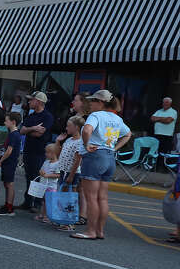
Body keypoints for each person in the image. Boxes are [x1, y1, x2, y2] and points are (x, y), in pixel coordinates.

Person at [71, 90, 131, 241]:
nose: (90, 103)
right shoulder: (117, 118)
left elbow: (87, 129)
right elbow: (128, 134)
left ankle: (90, 231)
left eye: (93, 101)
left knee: (91, 197)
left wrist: (86, 144)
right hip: (109, 157)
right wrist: (115, 148)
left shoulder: (96, 115)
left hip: (95, 156)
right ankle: (99, 231)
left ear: (101, 103)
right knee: (102, 198)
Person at [18, 92, 54, 213]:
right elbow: (22, 130)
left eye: (31, 100)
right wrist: (33, 128)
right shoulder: (31, 115)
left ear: (38, 101)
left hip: (40, 151)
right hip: (28, 149)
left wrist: (29, 130)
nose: (29, 102)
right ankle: (27, 202)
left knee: (38, 176)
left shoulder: (47, 116)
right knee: (29, 176)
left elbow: (40, 133)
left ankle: (37, 203)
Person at [55, 115, 86, 230]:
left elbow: (78, 160)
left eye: (69, 126)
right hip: (64, 171)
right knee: (63, 196)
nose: (66, 128)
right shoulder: (68, 140)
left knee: (70, 197)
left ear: (77, 127)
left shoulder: (80, 142)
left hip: (71, 172)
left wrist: (71, 175)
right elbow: (58, 154)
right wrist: (58, 142)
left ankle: (70, 222)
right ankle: (64, 219)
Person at [0, 112, 25, 217]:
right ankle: (7, 204)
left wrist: (1, 160)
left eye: (7, 120)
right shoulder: (12, 133)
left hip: (10, 162)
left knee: (9, 184)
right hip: (8, 161)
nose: (4, 122)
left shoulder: (14, 134)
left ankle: (9, 208)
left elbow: (9, 150)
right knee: (6, 184)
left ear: (13, 122)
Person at [34, 143, 63, 224]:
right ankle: (43, 214)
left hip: (51, 186)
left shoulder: (57, 164)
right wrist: (41, 172)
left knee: (49, 202)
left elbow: (58, 175)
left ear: (54, 153)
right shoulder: (46, 162)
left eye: (47, 152)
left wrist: (47, 175)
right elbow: (41, 170)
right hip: (44, 185)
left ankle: (48, 216)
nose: (45, 154)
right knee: (44, 201)